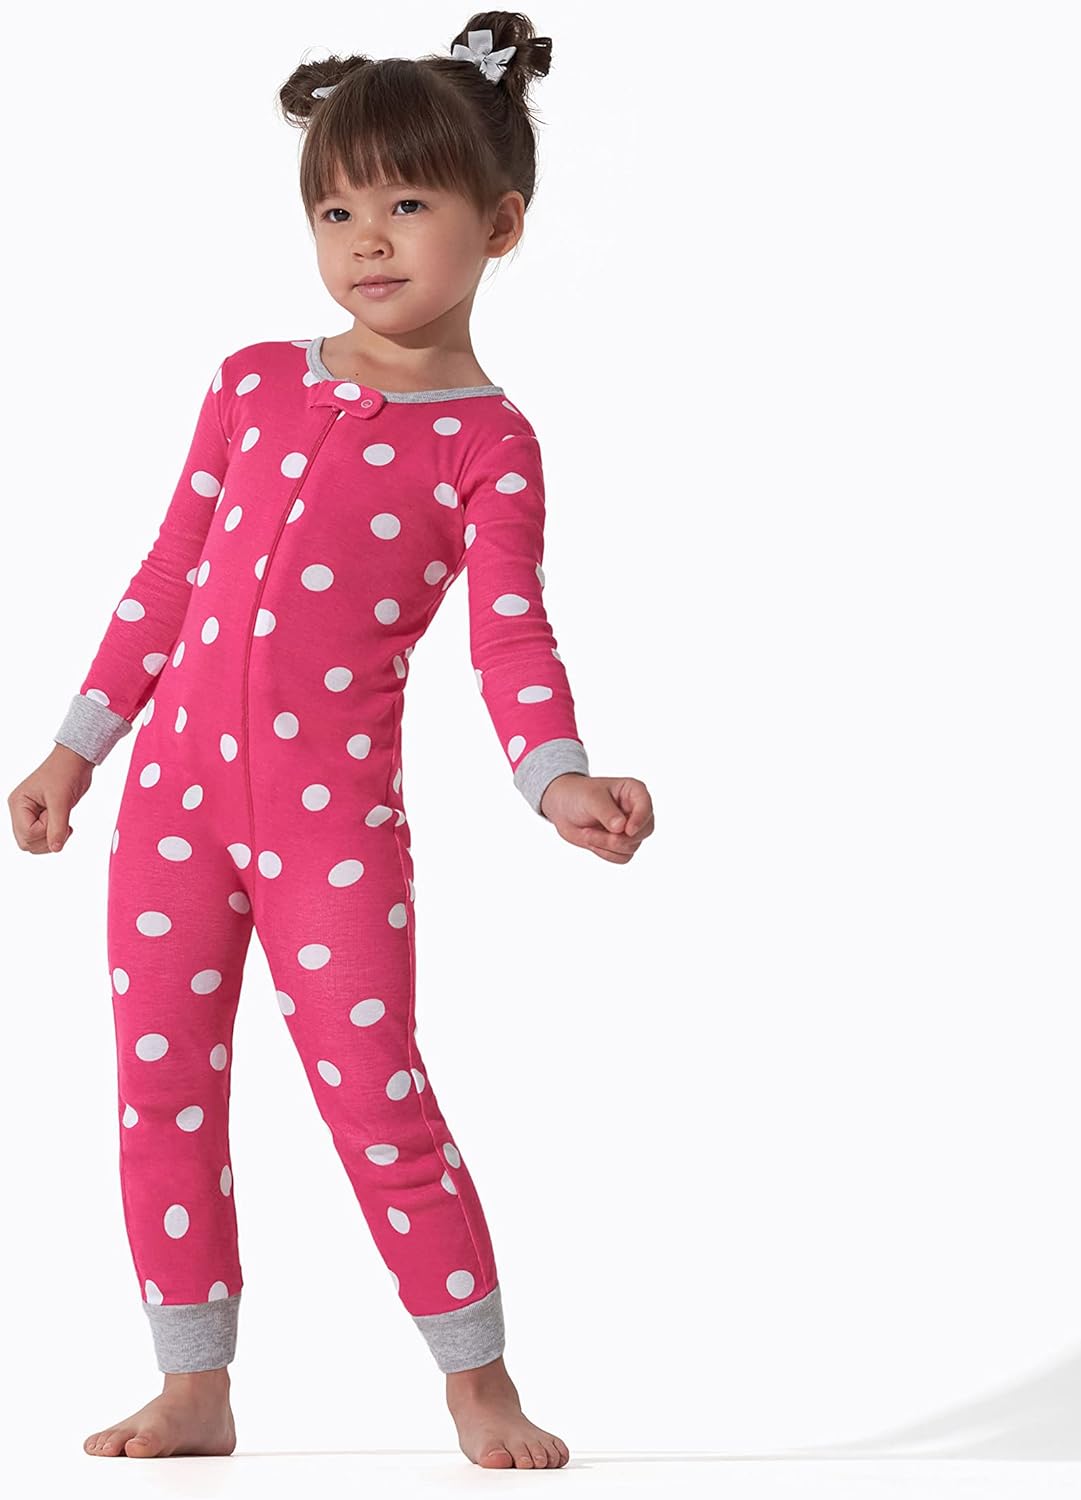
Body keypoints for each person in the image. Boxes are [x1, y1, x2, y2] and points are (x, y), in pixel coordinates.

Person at [8, 13, 654, 1470]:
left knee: (376, 1098)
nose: (367, 239)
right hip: (169, 810)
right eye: (336, 210)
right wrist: (74, 747)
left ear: (500, 224)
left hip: (329, 830)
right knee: (161, 1091)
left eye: (407, 204)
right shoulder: (251, 381)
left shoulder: (487, 443)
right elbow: (167, 577)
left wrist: (556, 778)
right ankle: (193, 1385)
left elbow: (509, 636)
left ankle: (478, 1383)